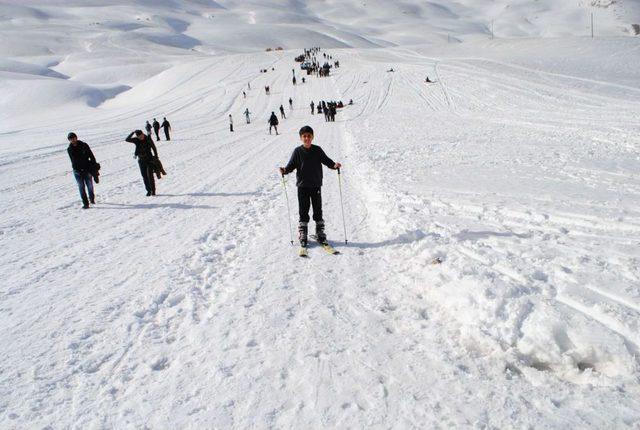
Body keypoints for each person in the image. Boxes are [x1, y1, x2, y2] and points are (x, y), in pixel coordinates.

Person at [279, 126, 341, 247]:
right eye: (304, 136)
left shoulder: (317, 150)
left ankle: (320, 232)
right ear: (301, 138)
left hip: (315, 184)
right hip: (302, 186)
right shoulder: (297, 151)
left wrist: (334, 165)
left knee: (318, 209)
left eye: (309, 136)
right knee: (303, 209)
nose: (307, 138)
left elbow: (326, 160)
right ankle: (303, 233)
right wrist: (285, 170)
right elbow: (291, 165)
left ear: (312, 137)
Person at [67, 132, 97, 209]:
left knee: (89, 185)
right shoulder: (69, 149)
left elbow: (91, 156)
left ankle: (92, 198)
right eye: (71, 139)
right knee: (81, 187)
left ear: (76, 138)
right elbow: (74, 160)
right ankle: (85, 203)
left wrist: (94, 167)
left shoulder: (84, 145)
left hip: (87, 169)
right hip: (77, 171)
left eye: (73, 138)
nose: (73, 140)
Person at [125, 129, 158, 196]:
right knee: (144, 176)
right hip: (141, 160)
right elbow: (127, 139)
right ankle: (148, 191)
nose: (141, 137)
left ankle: (153, 190)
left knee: (150, 176)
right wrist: (132, 132)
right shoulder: (136, 140)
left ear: (143, 134)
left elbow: (154, 148)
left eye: (141, 136)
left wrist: (156, 157)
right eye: (139, 137)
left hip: (149, 159)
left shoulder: (148, 138)